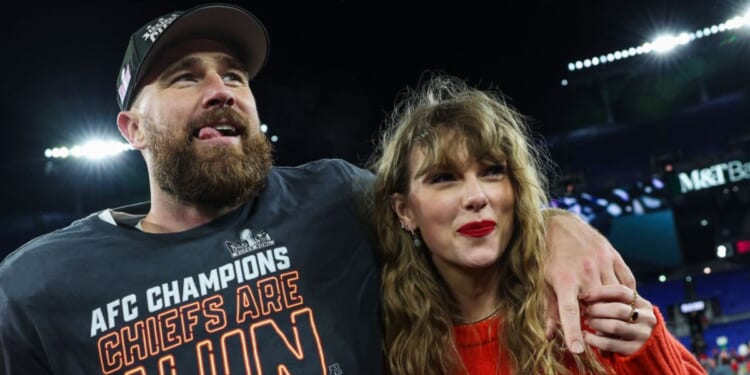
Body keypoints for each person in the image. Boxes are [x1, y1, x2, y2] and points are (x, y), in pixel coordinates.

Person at [1, 3, 634, 374]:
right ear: (130, 128)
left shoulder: (336, 198)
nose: (221, 89)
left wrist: (555, 226)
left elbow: (458, 208)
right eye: (184, 78)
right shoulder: (36, 287)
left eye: (235, 76)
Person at [369, 74, 706, 374]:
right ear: (405, 211)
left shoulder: (581, 308)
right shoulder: (383, 347)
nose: (476, 196)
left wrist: (649, 356)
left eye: (492, 171)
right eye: (444, 178)